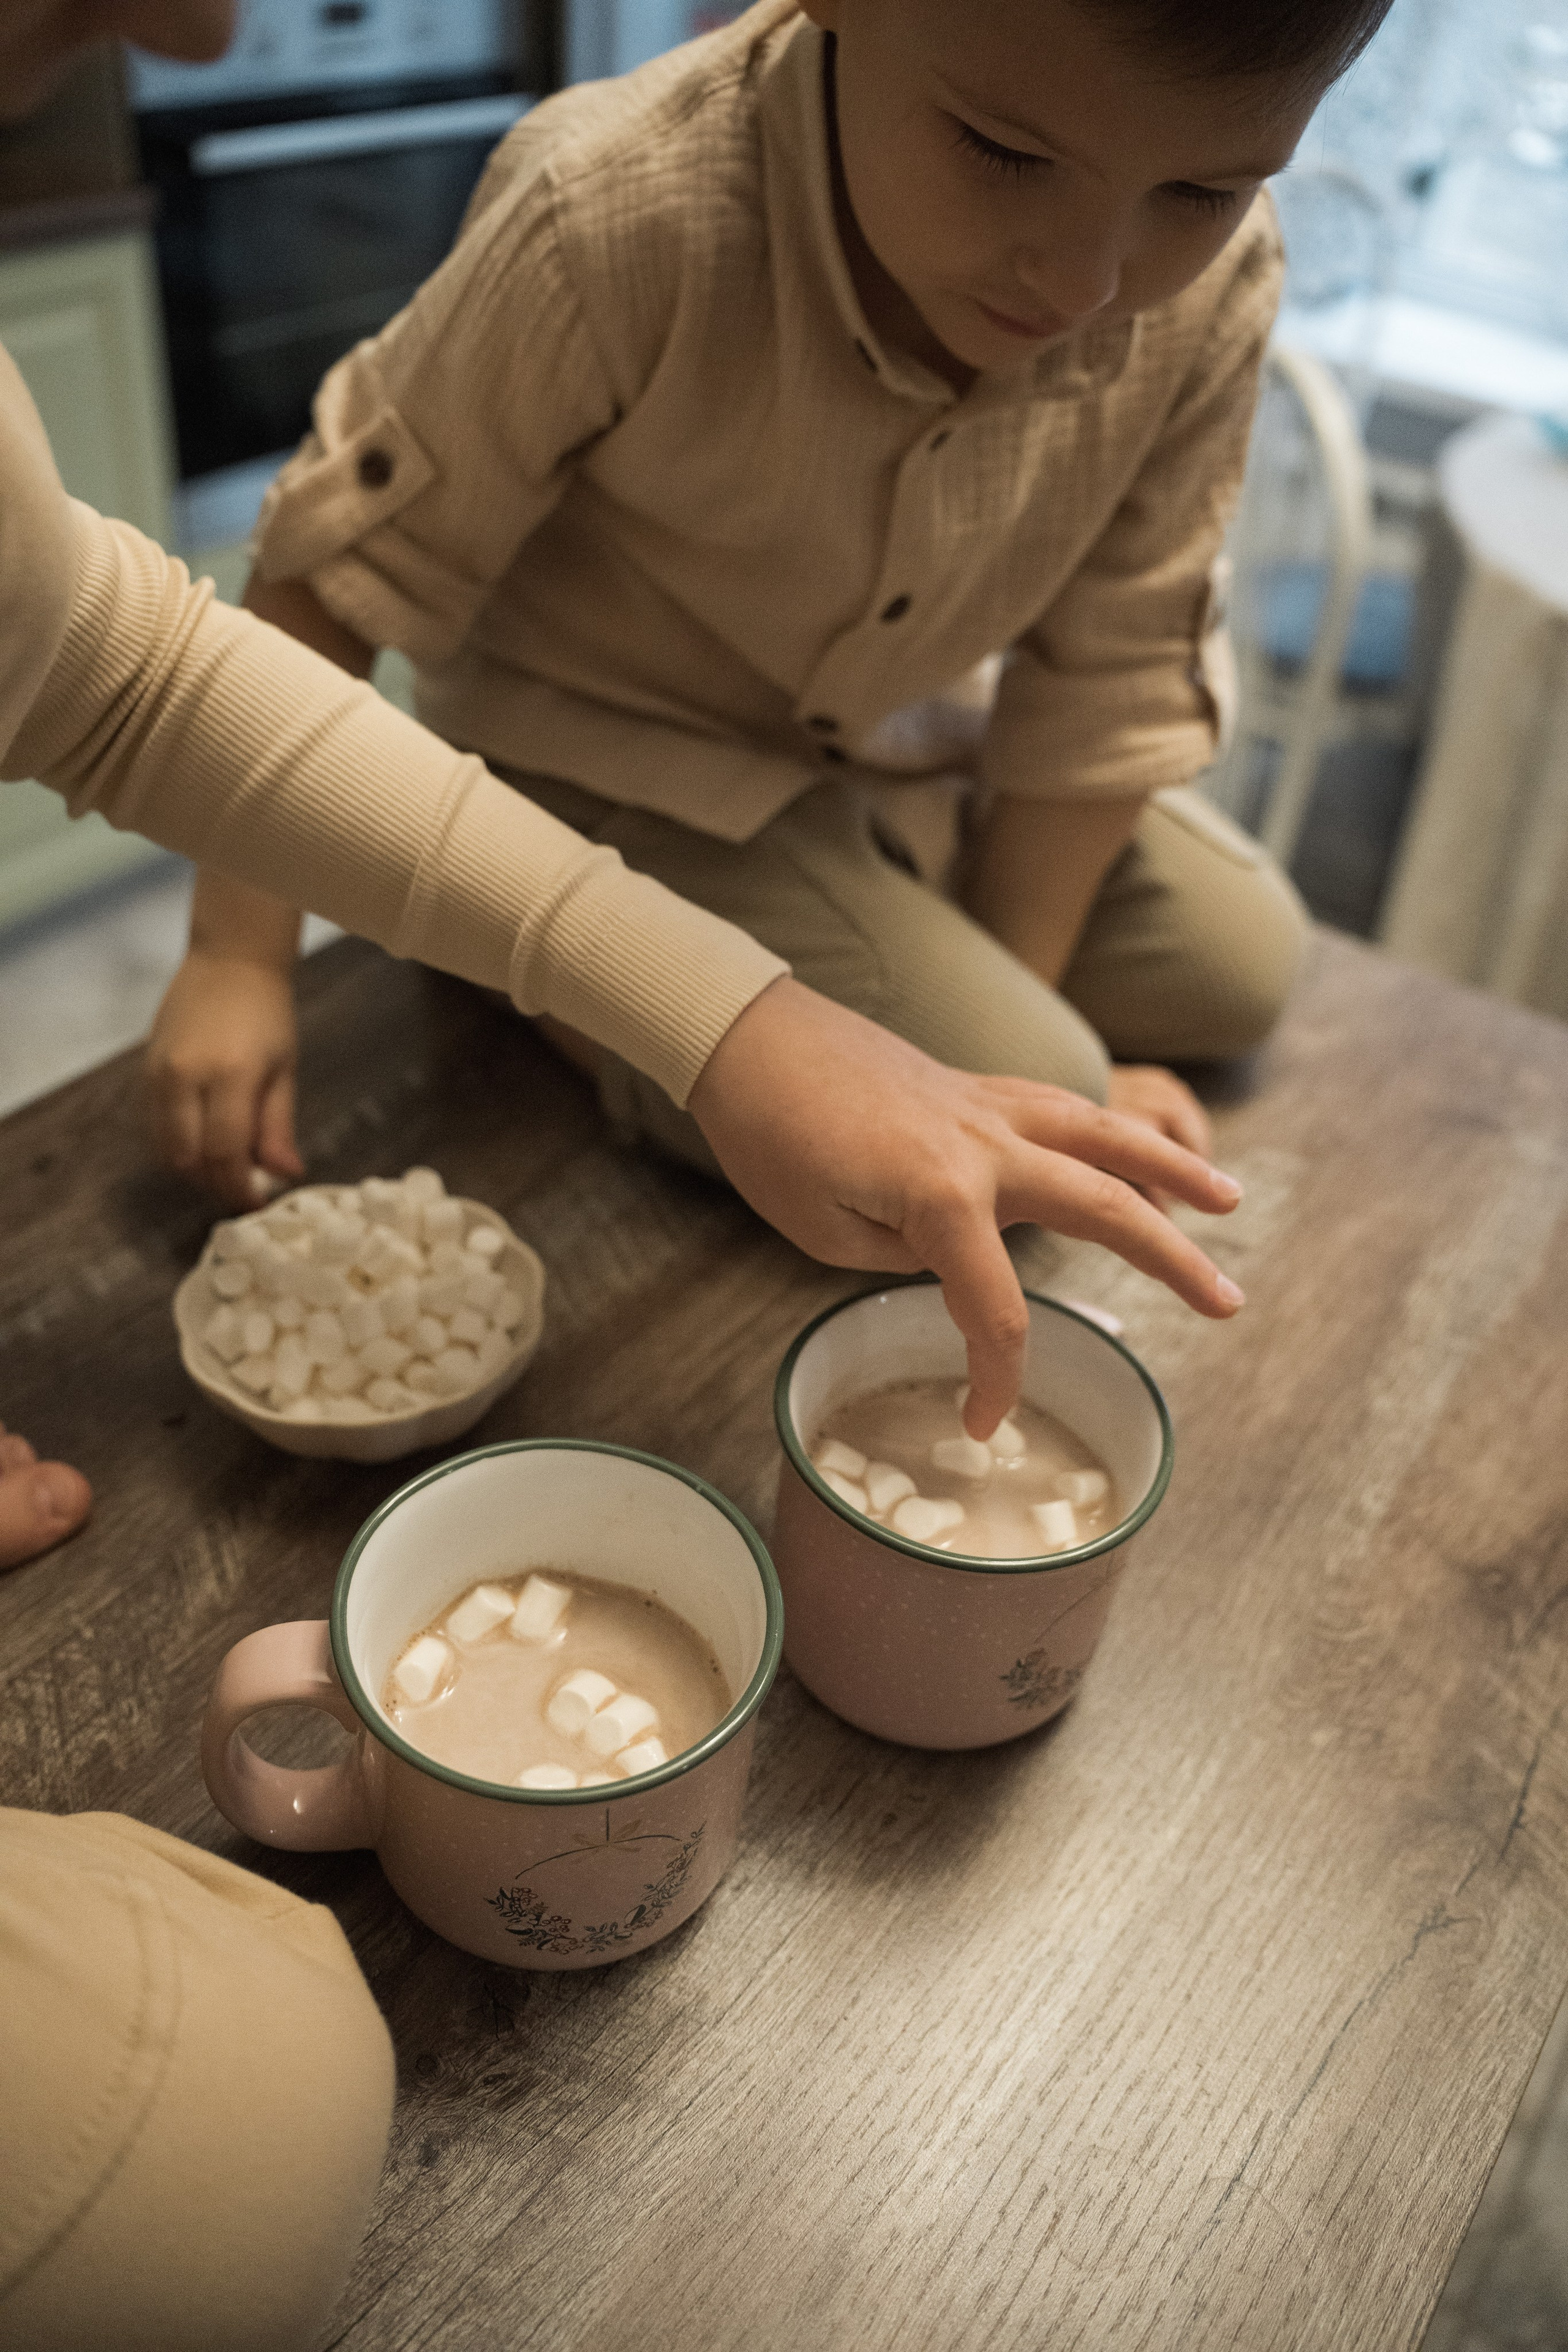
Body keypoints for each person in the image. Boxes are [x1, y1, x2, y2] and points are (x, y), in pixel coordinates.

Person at [148, 0, 1379, 1449]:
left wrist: (990, 1065)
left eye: (1200, 191)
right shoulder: (610, 207)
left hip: (891, 743)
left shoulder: (1205, 288)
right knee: (1042, 1077)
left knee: (1245, 964)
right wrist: (238, 951)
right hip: (598, 764)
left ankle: (953, 985)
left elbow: (1103, 689)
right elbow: (336, 570)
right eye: (998, 149)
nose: (1086, 276)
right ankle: (517, 977)